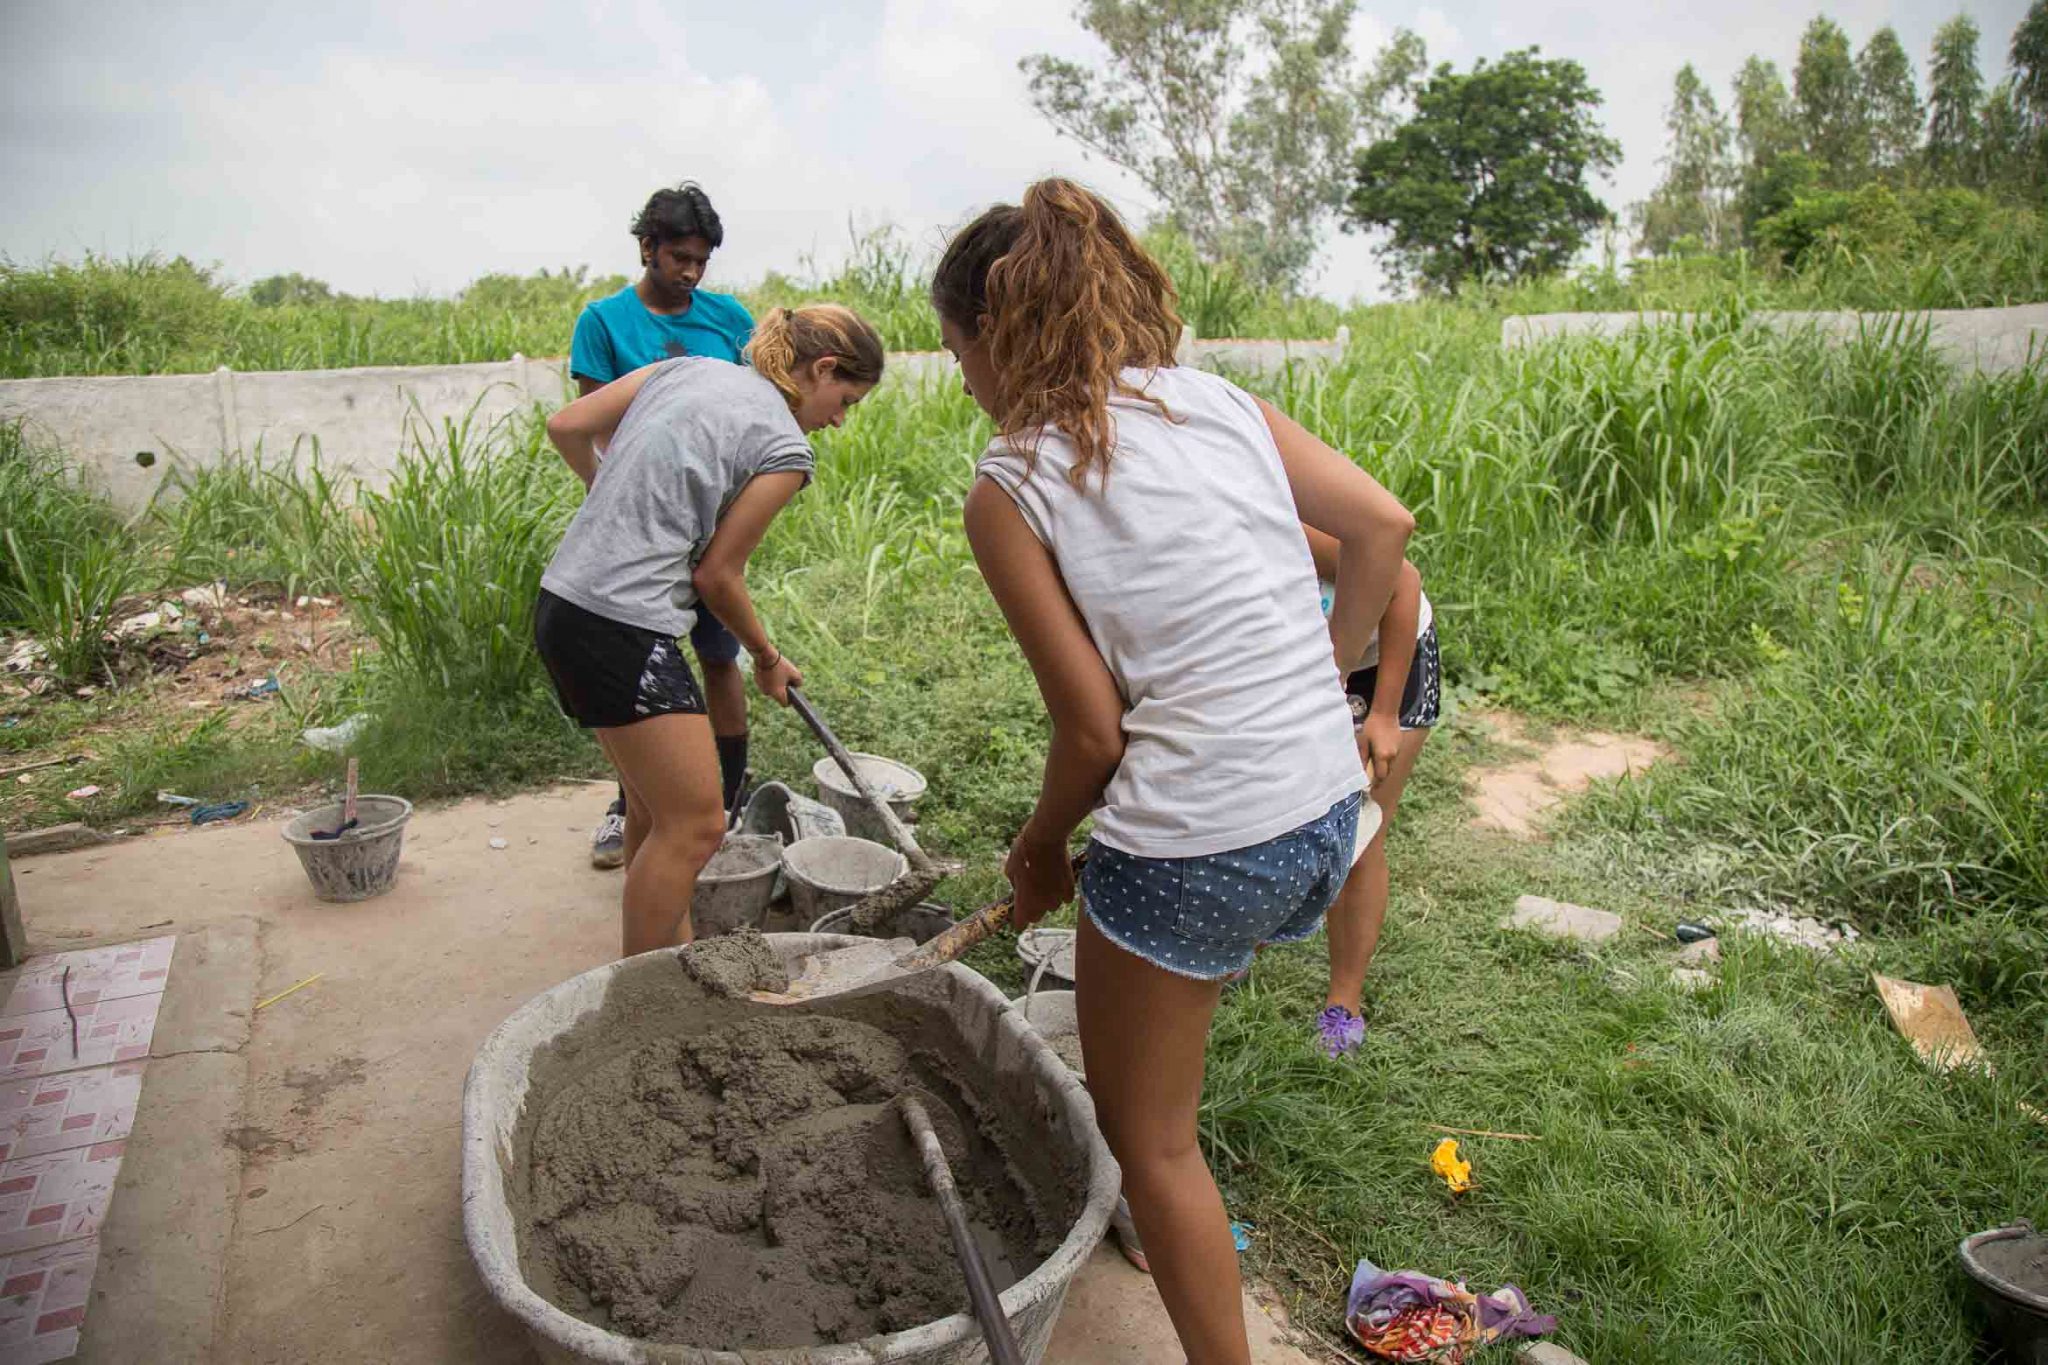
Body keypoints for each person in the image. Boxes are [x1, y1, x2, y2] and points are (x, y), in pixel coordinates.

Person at [933, 179, 1414, 1365]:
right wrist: (1323, 671)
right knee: (1167, 1068)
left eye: (955, 353)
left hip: (1203, 844)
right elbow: (1383, 530)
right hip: (1324, 817)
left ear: (996, 334)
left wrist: (1039, 849)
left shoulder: (1008, 486)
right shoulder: (1216, 404)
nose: (961, 383)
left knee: (1150, 1145)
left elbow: (1092, 737)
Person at [535, 305, 883, 957]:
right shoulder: (786, 446)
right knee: (695, 825)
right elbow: (718, 576)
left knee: (653, 814)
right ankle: (640, 1006)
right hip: (620, 623)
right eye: (846, 400)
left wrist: (609, 491)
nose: (839, 418)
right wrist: (768, 656)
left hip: (564, 604)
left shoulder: (683, 369)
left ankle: (680, 962)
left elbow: (565, 425)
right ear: (824, 368)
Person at [569, 182, 758, 870]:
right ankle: (632, 805)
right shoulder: (604, 323)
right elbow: (594, 429)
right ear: (646, 246)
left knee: (718, 656)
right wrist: (607, 498)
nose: (690, 272)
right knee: (639, 673)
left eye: (701, 260)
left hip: (710, 521)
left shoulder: (729, 319)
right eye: (678, 256)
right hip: (641, 534)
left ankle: (730, 803)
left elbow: (751, 412)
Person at [1303, 534, 1438, 1056]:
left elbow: (1402, 581)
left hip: (1386, 663)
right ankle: (1237, 950)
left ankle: (1344, 1004)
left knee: (1358, 831)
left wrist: (1382, 713)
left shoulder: (1290, 503)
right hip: (1308, 665)